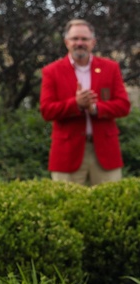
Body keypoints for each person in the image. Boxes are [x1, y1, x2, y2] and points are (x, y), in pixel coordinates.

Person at [40, 18, 131, 185]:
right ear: (66, 42)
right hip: (67, 154)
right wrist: (76, 104)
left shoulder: (110, 68)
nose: (79, 43)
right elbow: (46, 110)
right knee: (68, 207)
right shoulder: (51, 71)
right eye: (75, 39)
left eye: (84, 39)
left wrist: (95, 108)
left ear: (93, 42)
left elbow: (123, 106)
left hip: (105, 152)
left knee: (108, 206)